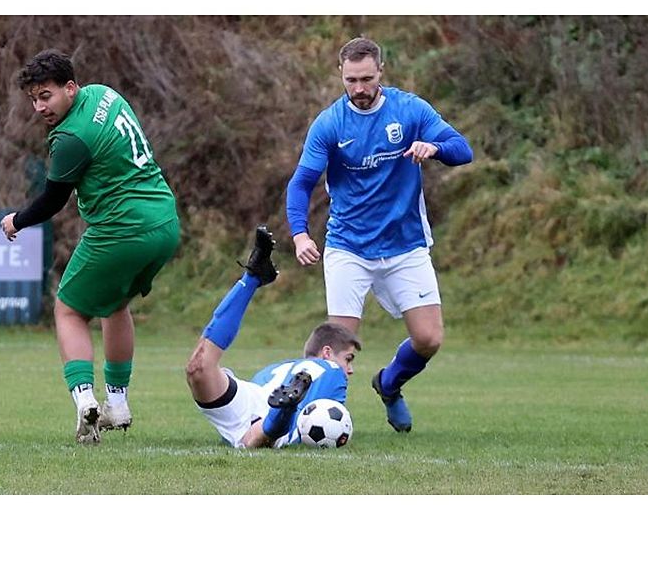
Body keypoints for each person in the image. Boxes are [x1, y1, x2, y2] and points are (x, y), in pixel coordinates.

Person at [285, 37, 473, 433]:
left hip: (406, 245)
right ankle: (324, 423)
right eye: (351, 80)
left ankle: (389, 385)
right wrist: (300, 235)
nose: (359, 88)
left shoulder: (409, 110)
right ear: (341, 74)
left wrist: (433, 148)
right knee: (339, 345)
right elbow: (302, 183)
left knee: (429, 339)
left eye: (367, 79)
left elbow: (462, 150)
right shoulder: (330, 123)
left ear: (381, 73)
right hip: (348, 246)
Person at [0, 49, 181, 445]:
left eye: (45, 96)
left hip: (122, 229)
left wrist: (17, 220)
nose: (39, 107)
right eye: (33, 98)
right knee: (114, 305)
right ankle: (118, 401)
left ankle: (85, 400)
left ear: (69, 88)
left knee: (68, 310)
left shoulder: (70, 138)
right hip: (165, 222)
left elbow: (52, 201)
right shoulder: (104, 94)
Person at [186, 225, 360, 449]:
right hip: (264, 404)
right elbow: (312, 420)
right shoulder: (331, 370)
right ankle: (279, 418)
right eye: (348, 358)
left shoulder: (274, 369)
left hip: (253, 401)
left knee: (197, 369)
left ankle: (252, 277)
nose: (350, 369)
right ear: (327, 352)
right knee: (257, 438)